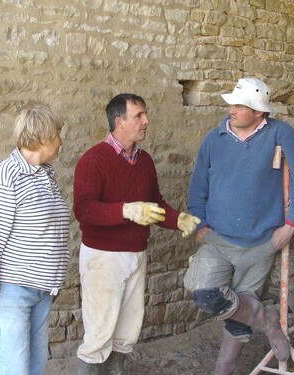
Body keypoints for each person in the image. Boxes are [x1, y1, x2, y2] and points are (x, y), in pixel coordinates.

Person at [184, 77, 294, 374]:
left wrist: (292, 224)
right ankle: (264, 318)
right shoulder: (214, 137)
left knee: (236, 318)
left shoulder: (280, 133)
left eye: (240, 105)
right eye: (232, 103)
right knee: (201, 291)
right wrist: (199, 224)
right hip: (217, 239)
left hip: (260, 241)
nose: (231, 109)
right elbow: (198, 185)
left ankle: (223, 371)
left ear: (259, 112)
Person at [73, 93, 200, 375]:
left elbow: (155, 204)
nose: (146, 121)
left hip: (136, 255)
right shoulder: (93, 160)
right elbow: (84, 210)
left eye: (145, 115)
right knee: (99, 335)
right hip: (103, 259)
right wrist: (126, 211)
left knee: (127, 331)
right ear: (119, 122)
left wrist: (178, 219)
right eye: (139, 116)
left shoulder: (144, 161)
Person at [0, 104, 70, 375]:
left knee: (35, 367)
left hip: (41, 291)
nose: (62, 140)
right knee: (15, 371)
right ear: (43, 137)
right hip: (12, 292)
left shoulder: (44, 175)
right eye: (58, 133)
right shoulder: (6, 177)